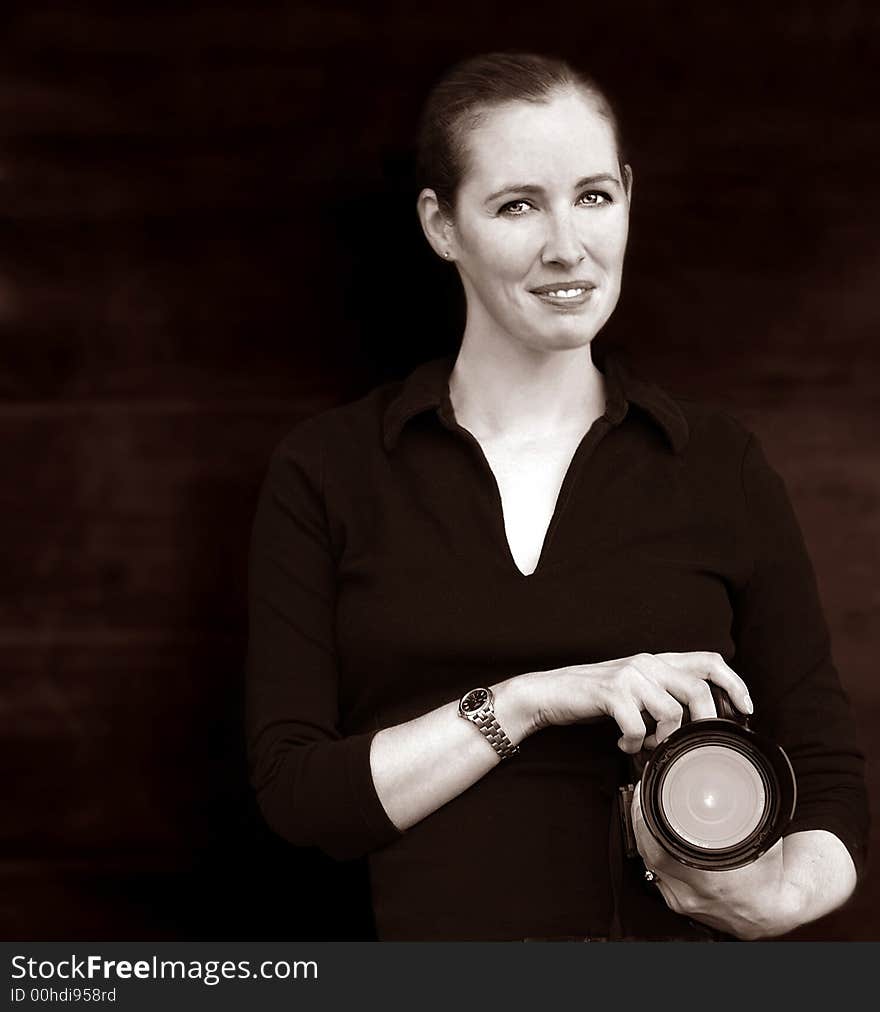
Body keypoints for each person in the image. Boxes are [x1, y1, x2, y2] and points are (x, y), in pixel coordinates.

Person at [245, 51, 869, 941]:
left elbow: (829, 781)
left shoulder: (716, 463)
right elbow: (301, 796)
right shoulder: (332, 469)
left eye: (592, 196)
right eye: (517, 205)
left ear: (625, 196)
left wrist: (780, 902)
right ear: (441, 224)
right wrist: (530, 701)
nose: (567, 247)